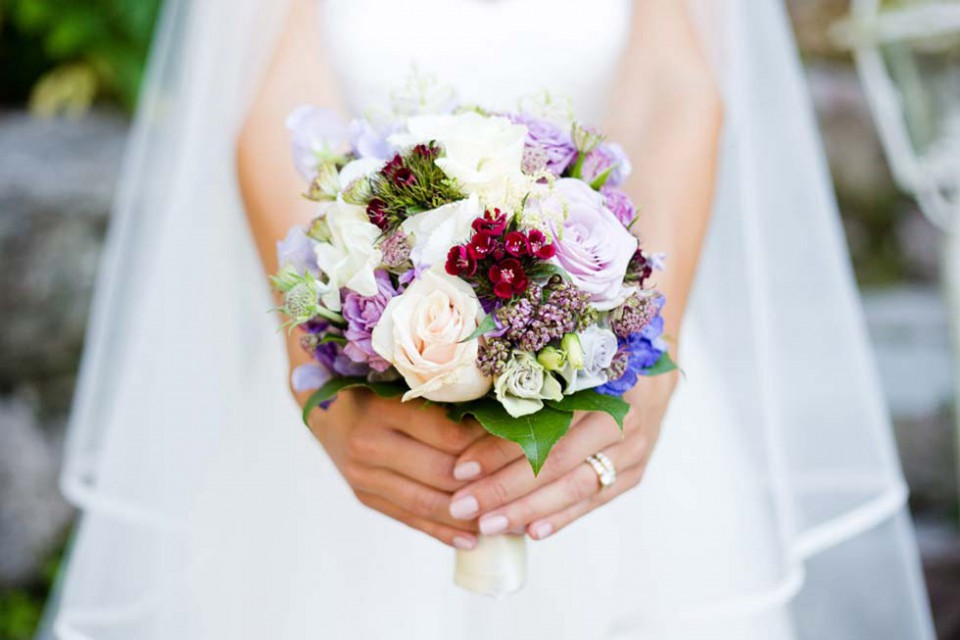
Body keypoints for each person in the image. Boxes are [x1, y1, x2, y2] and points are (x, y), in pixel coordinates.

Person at [48, 0, 936, 638]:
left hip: (605, 368)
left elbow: (678, 85)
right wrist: (317, 373)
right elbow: (275, 100)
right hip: (359, 382)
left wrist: (647, 348)